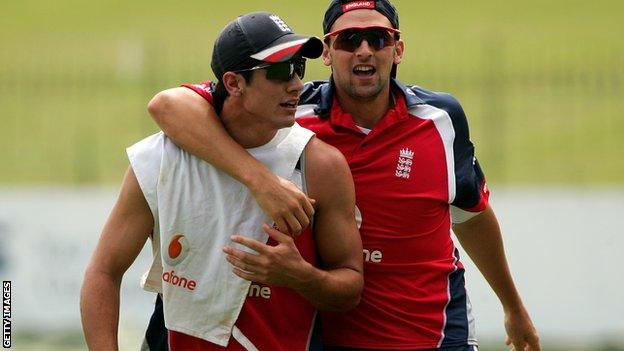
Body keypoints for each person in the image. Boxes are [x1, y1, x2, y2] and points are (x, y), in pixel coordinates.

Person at [147, 1, 542, 350]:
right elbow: (169, 105)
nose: (364, 50)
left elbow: (470, 215)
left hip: (438, 333)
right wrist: (260, 180)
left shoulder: (441, 119)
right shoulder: (288, 110)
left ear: (398, 49)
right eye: (349, 40)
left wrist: (513, 307)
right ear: (328, 53)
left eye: (378, 38)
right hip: (336, 332)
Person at [80, 11, 364, 351]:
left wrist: (300, 275)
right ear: (233, 83)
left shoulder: (321, 165)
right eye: (278, 71)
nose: (296, 84)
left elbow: (350, 289)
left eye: (298, 67)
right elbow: (103, 273)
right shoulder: (161, 156)